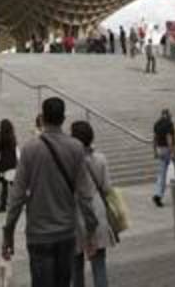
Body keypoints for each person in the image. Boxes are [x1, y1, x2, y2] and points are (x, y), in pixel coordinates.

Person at [3, 97, 99, 287]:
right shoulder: (76, 148)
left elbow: (17, 197)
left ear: (43, 118)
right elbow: (85, 196)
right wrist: (91, 231)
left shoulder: (30, 150)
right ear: (63, 118)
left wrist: (8, 233)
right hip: (66, 232)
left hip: (38, 234)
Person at [69, 120, 114, 287]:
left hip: (75, 215)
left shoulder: (69, 162)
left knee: (75, 268)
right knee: (99, 266)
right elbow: (107, 188)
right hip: (97, 213)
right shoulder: (100, 159)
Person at [151, 109, 175, 207]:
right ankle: (159, 195)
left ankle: (157, 193)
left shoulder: (156, 123)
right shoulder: (169, 123)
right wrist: (172, 151)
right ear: (167, 115)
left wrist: (154, 151)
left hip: (159, 149)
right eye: (170, 114)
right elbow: (169, 138)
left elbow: (154, 138)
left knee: (161, 173)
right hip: (167, 149)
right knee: (172, 171)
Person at [0, 118, 19, 212]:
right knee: (14, 184)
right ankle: (18, 203)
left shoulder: (2, 137)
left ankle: (2, 205)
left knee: (4, 186)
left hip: (4, 163)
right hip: (12, 163)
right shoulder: (12, 137)